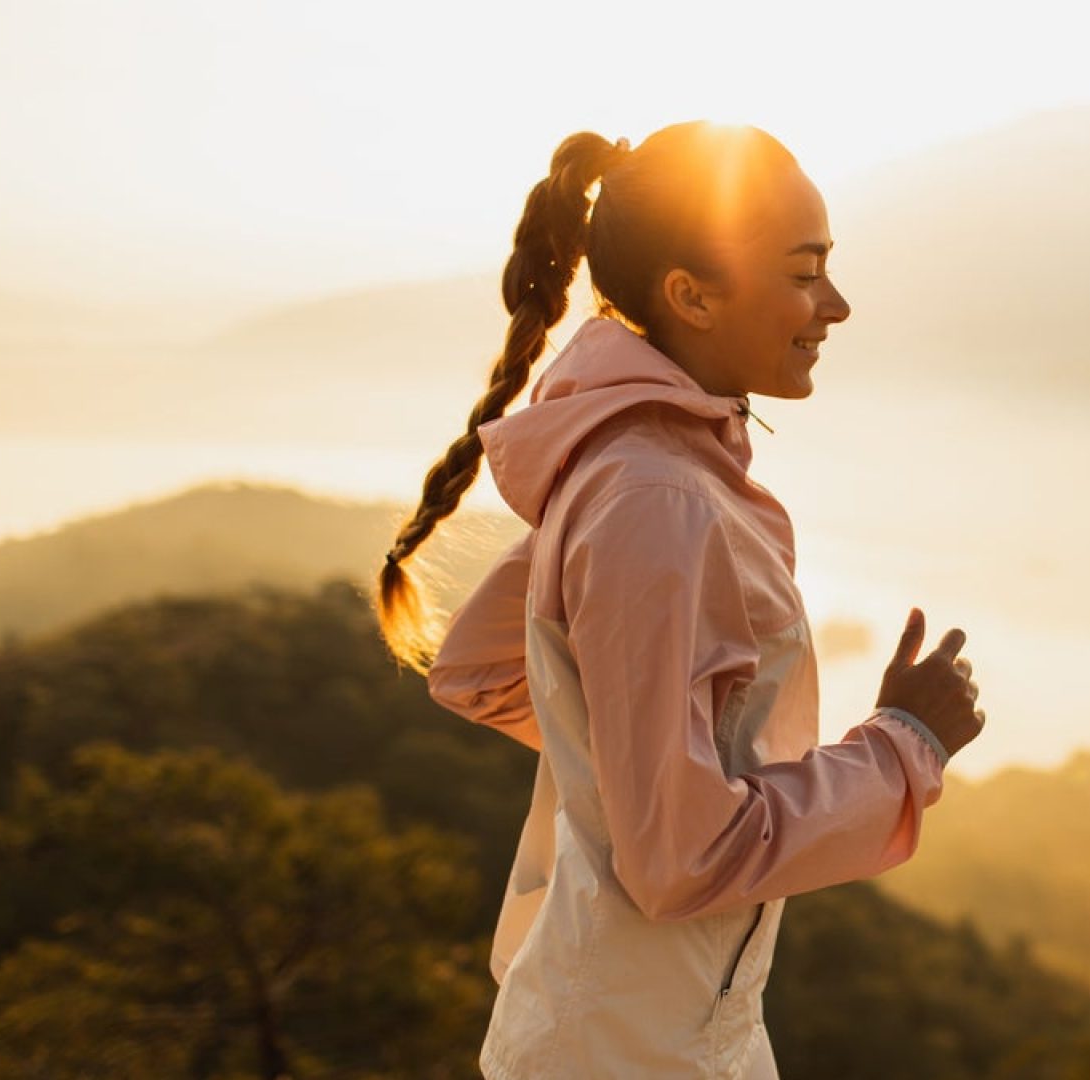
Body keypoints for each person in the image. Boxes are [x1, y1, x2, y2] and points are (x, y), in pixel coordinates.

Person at [371, 123, 987, 1078]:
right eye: (804, 273)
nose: (836, 304)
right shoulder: (655, 495)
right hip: (627, 1049)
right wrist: (903, 745)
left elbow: (482, 670)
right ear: (690, 295)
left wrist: (641, 758)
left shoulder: (640, 469)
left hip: (658, 1022)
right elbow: (681, 858)